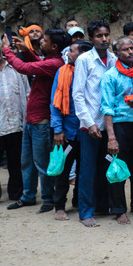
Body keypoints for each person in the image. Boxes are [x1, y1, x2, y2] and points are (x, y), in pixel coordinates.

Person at [4, 28, 68, 213]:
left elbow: (24, 68)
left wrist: (7, 50)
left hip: (41, 121)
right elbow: (36, 64)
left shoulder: (55, 63)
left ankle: (48, 198)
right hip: (33, 120)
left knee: (41, 163)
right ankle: (29, 196)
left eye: (45, 40)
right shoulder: (50, 61)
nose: (41, 42)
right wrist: (26, 51)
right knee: (27, 162)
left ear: (54, 47)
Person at [101, 36, 133, 225]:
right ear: (116, 53)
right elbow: (106, 108)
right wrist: (111, 137)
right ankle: (119, 209)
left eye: (132, 49)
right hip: (120, 126)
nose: (130, 52)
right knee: (118, 168)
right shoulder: (110, 76)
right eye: (125, 50)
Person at [72, 21, 117, 227]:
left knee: (105, 167)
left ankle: (103, 205)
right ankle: (86, 212)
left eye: (106, 35)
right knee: (88, 170)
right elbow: (78, 95)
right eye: (99, 36)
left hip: (109, 124)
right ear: (91, 39)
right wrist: (89, 123)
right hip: (89, 126)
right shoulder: (84, 60)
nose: (104, 39)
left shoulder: (114, 59)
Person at [51, 40, 93, 221]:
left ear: (83, 55)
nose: (68, 54)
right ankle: (59, 206)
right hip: (68, 133)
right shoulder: (62, 72)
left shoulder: (91, 72)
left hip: (88, 132)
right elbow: (54, 104)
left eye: (72, 51)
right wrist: (58, 130)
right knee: (63, 170)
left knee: (85, 171)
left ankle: (78, 201)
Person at [0, 44, 29, 202]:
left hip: (16, 123)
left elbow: (27, 91)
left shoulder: (16, 68)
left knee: (16, 161)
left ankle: (16, 192)